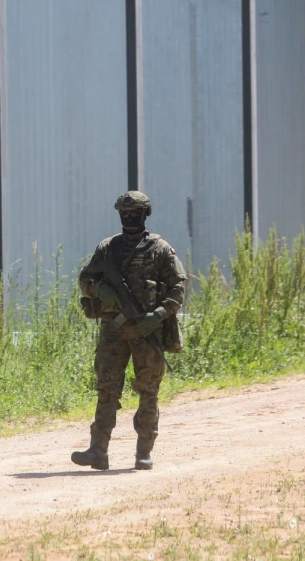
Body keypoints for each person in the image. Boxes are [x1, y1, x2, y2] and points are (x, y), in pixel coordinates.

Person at [73, 191, 187, 471]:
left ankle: (143, 452)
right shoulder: (107, 248)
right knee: (107, 388)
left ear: (145, 214)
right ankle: (98, 451)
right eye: (125, 213)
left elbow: (178, 288)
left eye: (135, 213)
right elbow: (85, 278)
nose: (130, 217)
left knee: (148, 391)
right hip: (113, 330)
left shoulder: (160, 248)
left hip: (147, 331)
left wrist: (157, 315)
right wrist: (99, 289)